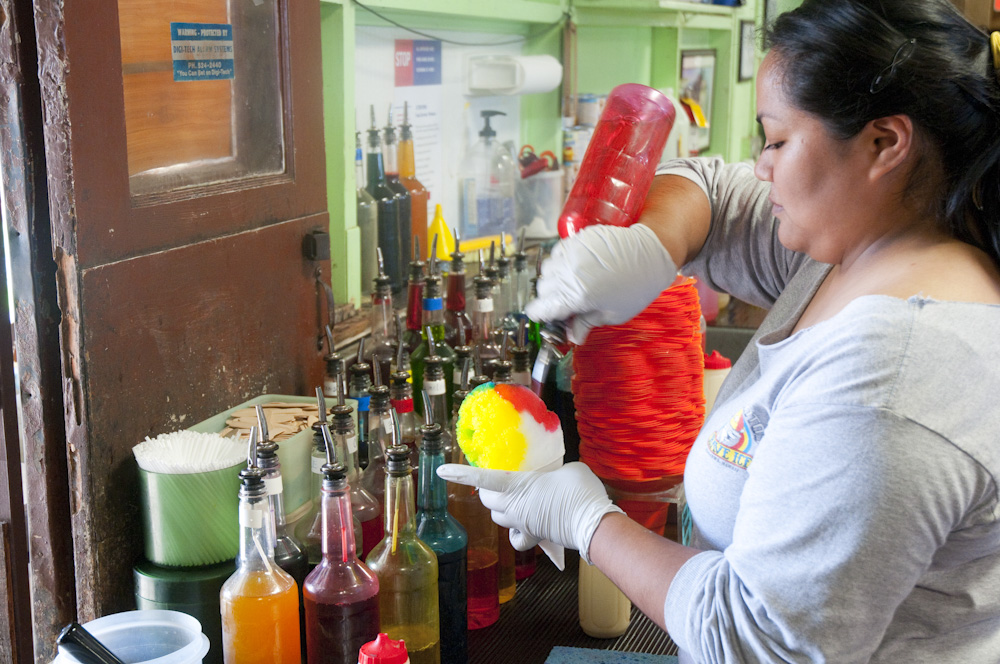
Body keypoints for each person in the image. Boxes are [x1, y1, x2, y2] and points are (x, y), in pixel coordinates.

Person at [438, 1, 1000, 662]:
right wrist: (652, 242)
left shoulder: (896, 377)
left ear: (884, 144)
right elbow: (711, 190)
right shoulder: (861, 246)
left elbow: (756, 639)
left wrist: (588, 524)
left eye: (778, 140)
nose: (761, 165)